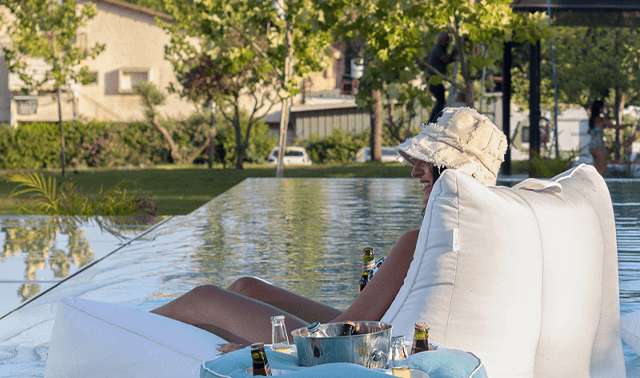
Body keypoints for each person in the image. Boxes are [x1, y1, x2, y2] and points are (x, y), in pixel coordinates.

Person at [152, 108, 507, 348]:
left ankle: (115, 333)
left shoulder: (417, 242)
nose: (415, 171)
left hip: (338, 349)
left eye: (429, 163)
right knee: (247, 287)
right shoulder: (471, 235)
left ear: (454, 174)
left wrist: (263, 348)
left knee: (203, 300)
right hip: (363, 334)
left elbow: (344, 334)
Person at [426, 31, 456, 122]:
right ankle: (432, 121)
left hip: (435, 80)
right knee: (441, 101)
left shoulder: (440, 48)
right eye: (445, 40)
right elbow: (446, 60)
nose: (447, 42)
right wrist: (454, 51)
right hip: (433, 80)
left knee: (441, 100)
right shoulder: (437, 49)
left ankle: (433, 121)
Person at [580, 99, 609, 176]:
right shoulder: (601, 120)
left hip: (592, 145)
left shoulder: (592, 120)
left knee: (597, 169)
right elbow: (616, 127)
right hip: (598, 145)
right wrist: (627, 125)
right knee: (602, 169)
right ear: (600, 108)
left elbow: (590, 131)